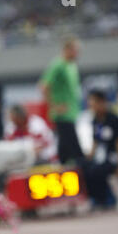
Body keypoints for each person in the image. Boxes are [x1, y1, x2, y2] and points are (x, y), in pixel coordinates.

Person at [79, 90, 118, 210]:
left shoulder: (114, 120)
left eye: (93, 102)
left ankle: (108, 199)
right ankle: (96, 198)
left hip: (113, 157)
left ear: (102, 102)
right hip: (100, 157)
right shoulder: (95, 121)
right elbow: (95, 143)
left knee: (97, 171)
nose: (91, 106)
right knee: (83, 168)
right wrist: (88, 158)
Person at [39, 36, 83, 165]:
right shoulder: (57, 65)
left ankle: (65, 171)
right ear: (67, 49)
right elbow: (44, 86)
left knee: (65, 148)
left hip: (71, 112)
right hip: (62, 114)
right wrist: (53, 106)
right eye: (76, 50)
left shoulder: (71, 65)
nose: (78, 53)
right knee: (75, 150)